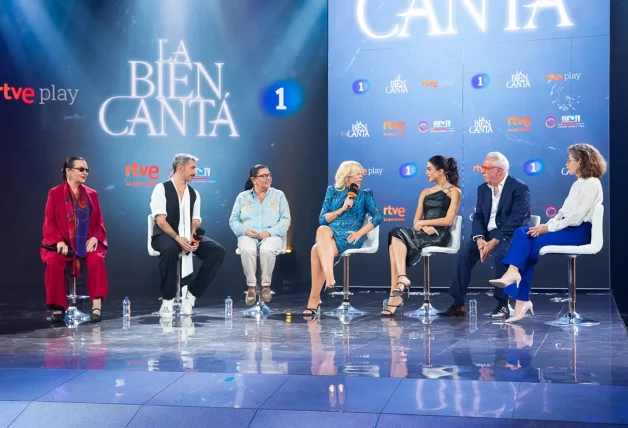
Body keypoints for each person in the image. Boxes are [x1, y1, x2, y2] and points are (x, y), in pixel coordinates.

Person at [490, 144, 606, 322]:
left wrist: (548, 228)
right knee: (524, 233)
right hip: (568, 228)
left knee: (529, 242)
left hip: (580, 232)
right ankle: (515, 277)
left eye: (569, 160)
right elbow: (562, 212)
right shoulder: (577, 184)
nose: (566, 163)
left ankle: (521, 296)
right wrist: (546, 225)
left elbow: (576, 217)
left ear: (581, 162)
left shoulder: (592, 183)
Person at [438, 152, 531, 318]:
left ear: (499, 170)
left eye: (486, 168)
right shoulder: (483, 189)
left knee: (500, 255)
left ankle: (503, 304)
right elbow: (479, 216)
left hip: (510, 235)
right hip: (486, 234)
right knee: (464, 255)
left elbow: (516, 220)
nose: (482, 171)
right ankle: (458, 303)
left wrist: (494, 241)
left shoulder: (519, 188)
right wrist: (480, 239)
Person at [382, 156, 462, 317]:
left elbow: (448, 220)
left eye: (429, 169)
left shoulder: (454, 191)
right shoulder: (425, 192)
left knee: (395, 237)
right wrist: (423, 226)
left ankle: (396, 294)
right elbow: (416, 221)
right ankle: (400, 282)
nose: (426, 173)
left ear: (440, 171)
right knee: (395, 238)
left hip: (439, 235)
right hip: (424, 232)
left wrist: (426, 224)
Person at [150, 153, 225, 317]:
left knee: (217, 251)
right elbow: (161, 221)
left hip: (186, 235)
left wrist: (193, 237)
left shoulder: (194, 193)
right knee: (170, 249)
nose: (195, 172)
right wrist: (178, 238)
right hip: (166, 235)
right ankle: (168, 299)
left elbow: (196, 220)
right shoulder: (161, 189)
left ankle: (191, 294)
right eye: (192, 168)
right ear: (180, 168)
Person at [304, 161, 383, 315]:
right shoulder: (332, 191)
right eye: (358, 174)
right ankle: (330, 277)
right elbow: (323, 219)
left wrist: (360, 233)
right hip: (329, 233)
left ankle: (314, 298)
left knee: (315, 250)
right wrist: (341, 209)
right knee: (322, 229)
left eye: (361, 174)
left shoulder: (365, 195)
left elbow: (378, 216)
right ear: (347, 176)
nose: (361, 176)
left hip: (350, 235)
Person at [40, 156, 108, 323]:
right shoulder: (54, 193)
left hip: (85, 243)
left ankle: (96, 306)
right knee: (54, 263)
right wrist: (58, 241)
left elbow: (99, 221)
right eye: (81, 169)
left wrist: (94, 237)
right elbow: (49, 221)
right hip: (61, 244)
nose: (85, 173)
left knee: (97, 260)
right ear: (69, 172)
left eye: (87, 170)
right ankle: (58, 308)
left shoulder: (92, 194)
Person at [229, 165, 291, 305]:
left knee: (267, 250)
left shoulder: (278, 195)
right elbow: (233, 220)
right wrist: (245, 230)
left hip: (271, 235)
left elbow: (286, 219)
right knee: (247, 249)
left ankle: (265, 285)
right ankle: (251, 286)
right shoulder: (242, 197)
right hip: (248, 235)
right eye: (264, 176)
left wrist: (269, 232)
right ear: (254, 179)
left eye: (269, 175)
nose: (268, 178)